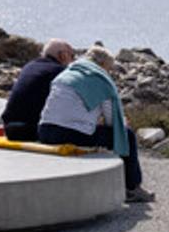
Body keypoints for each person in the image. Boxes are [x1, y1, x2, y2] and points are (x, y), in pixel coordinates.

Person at [37, 45, 153, 203]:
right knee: (127, 136)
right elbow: (114, 121)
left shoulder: (65, 74)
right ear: (103, 65)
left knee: (96, 132)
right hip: (69, 133)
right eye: (109, 68)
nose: (109, 72)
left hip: (44, 130)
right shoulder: (101, 80)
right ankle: (132, 188)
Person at [0, 39, 73, 141]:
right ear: (63, 55)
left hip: (9, 127)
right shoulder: (59, 72)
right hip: (31, 129)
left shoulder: (30, 66)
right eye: (71, 56)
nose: (72, 61)